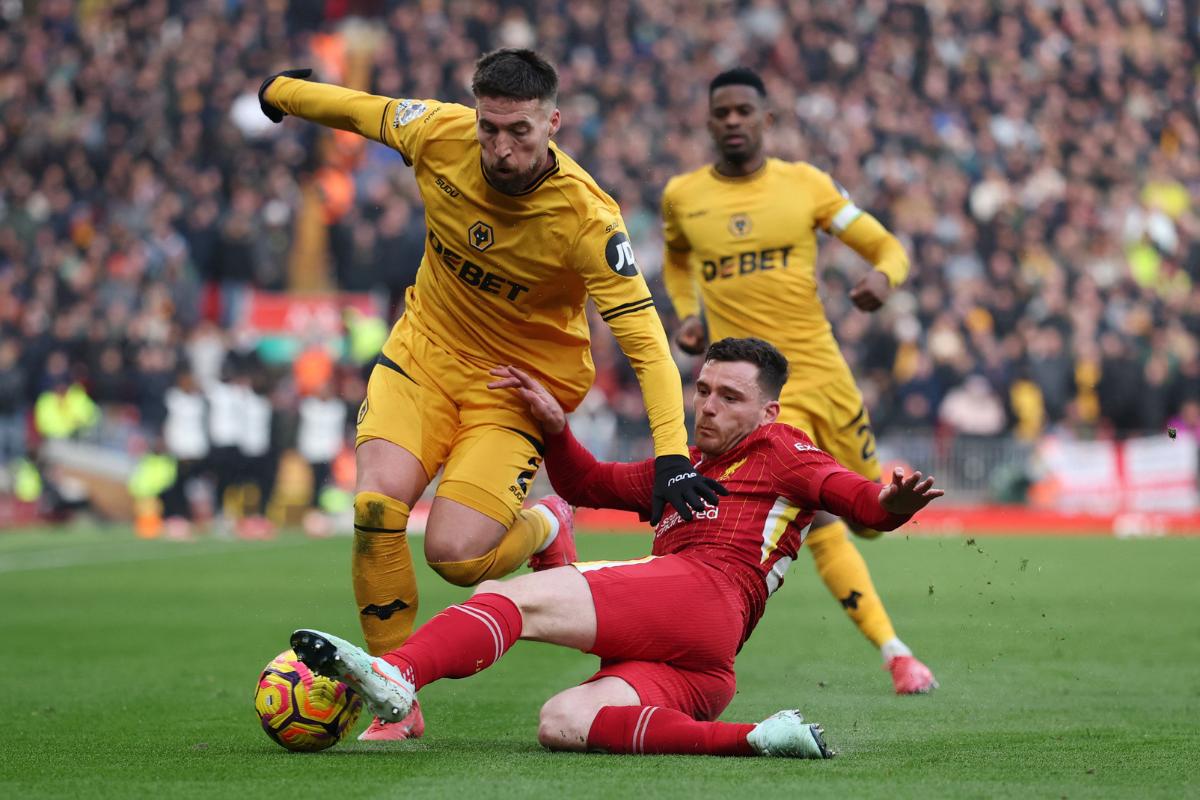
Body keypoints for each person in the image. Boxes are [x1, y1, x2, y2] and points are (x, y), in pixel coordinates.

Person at [257, 49, 719, 739]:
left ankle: (545, 523)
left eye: (520, 133)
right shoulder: (438, 133)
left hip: (516, 387)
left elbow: (647, 341)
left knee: (457, 559)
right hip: (425, 355)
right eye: (489, 128)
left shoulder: (588, 218)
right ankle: (396, 697)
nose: (501, 148)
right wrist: (281, 92)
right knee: (376, 510)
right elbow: (359, 109)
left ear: (553, 123)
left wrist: (670, 454)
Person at [287, 337, 943, 757]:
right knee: (563, 720)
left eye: (730, 397)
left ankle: (399, 676)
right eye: (704, 389)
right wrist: (555, 430)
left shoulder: (783, 450)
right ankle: (763, 737)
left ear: (768, 413)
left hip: (705, 594)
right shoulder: (682, 466)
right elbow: (587, 482)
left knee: (507, 596)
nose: (706, 406)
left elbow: (855, 497)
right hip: (705, 670)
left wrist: (891, 504)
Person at [661, 68, 938, 694]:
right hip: (754, 397)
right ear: (709, 122)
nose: (732, 121)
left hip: (823, 376)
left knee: (867, 516)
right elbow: (678, 261)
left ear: (766, 119)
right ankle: (896, 654)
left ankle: (897, 651)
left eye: (743, 111)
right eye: (721, 112)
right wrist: (685, 313)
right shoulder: (683, 196)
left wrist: (883, 280)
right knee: (814, 515)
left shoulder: (804, 185)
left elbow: (887, 246)